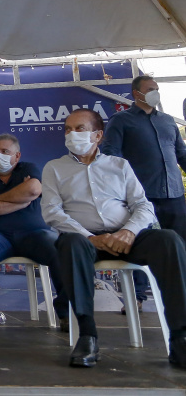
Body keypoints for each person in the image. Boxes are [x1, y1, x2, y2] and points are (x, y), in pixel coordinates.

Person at [42, 108, 186, 369]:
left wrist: (128, 231)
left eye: (79, 129)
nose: (71, 134)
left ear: (98, 135)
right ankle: (87, 335)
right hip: (85, 241)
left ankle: (180, 337)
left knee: (169, 241)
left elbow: (143, 205)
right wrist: (89, 237)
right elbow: (52, 212)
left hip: (126, 236)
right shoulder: (54, 168)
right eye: (67, 129)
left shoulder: (120, 165)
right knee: (69, 243)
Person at [101, 75, 186, 314]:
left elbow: (181, 154)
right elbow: (111, 156)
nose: (155, 93)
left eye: (157, 89)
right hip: (141, 198)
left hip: (174, 196)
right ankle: (136, 298)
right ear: (136, 93)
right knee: (138, 246)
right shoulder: (121, 120)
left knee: (179, 248)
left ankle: (182, 299)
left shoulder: (168, 121)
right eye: (150, 89)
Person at [0, 134, 68, 330]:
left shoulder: (28, 168)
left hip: (34, 235)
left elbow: (33, 189)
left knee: (60, 246)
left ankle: (67, 313)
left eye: (5, 152)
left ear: (17, 156)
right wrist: (22, 200)